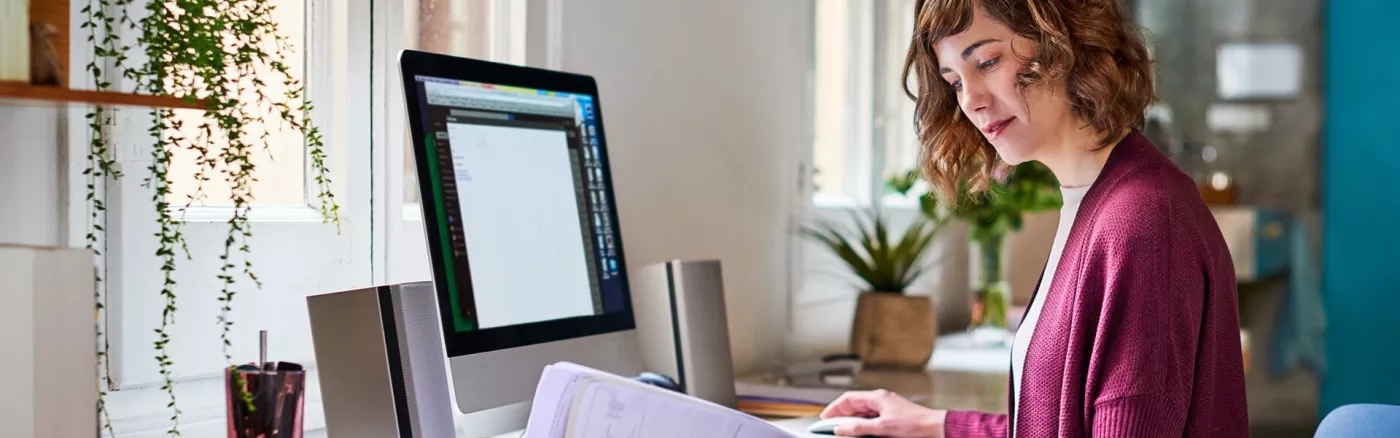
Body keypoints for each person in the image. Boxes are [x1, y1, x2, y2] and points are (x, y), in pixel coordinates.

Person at [817, 0, 1249, 437]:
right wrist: (935, 424)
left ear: (1065, 41)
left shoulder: (1143, 221)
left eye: (987, 61)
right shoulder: (1094, 198)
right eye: (953, 82)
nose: (971, 100)